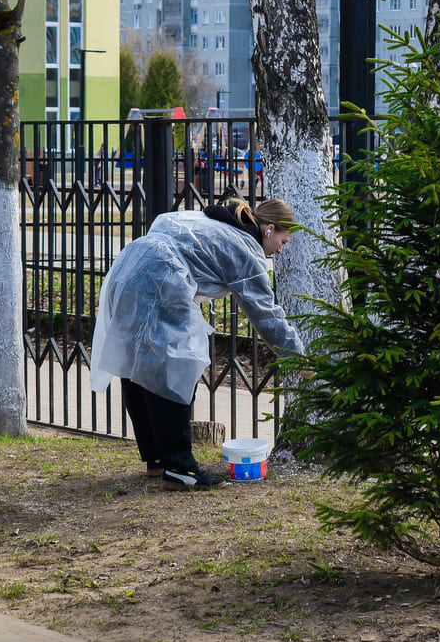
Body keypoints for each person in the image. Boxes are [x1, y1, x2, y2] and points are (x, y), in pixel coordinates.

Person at [90, 198, 304, 491]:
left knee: (139, 361)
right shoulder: (246, 251)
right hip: (162, 276)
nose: (281, 249)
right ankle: (179, 467)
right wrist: (299, 358)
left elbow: (163, 222)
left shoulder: (219, 222)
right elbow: (267, 317)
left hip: (129, 266)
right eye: (283, 240)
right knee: (179, 364)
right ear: (269, 229)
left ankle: (157, 458)